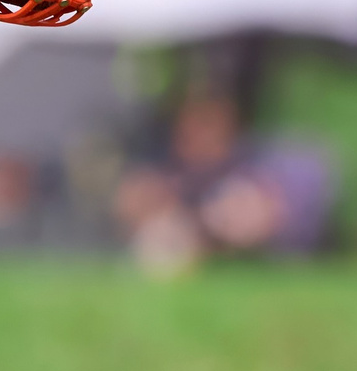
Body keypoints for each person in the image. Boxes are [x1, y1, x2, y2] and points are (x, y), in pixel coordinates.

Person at [114, 91, 333, 273]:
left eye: (206, 124)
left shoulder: (263, 160)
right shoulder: (172, 172)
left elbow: (311, 176)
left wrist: (263, 206)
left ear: (229, 126)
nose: (196, 136)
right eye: (188, 127)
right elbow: (130, 202)